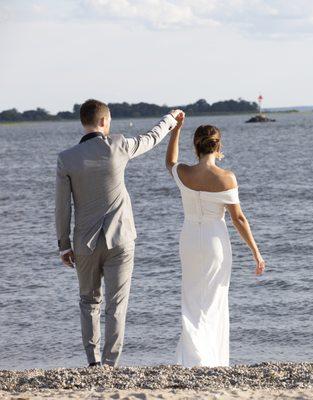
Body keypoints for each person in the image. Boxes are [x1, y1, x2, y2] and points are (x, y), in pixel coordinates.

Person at [55, 99, 183, 367]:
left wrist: (64, 245)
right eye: (109, 120)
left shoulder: (66, 159)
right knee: (116, 304)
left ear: (84, 122)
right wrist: (171, 119)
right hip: (121, 239)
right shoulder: (119, 146)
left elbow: (62, 206)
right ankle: (110, 363)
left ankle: (92, 363)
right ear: (104, 122)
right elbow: (152, 138)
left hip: (84, 243)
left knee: (88, 301)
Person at [165, 114, 265, 367]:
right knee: (214, 298)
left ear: (196, 146)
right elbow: (238, 219)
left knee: (191, 297)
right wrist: (255, 252)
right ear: (218, 146)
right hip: (214, 240)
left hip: (188, 238)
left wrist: (176, 129)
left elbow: (170, 162)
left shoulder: (184, 172)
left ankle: (192, 355)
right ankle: (209, 357)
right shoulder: (226, 177)